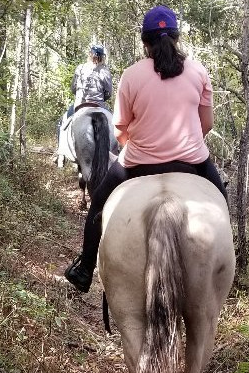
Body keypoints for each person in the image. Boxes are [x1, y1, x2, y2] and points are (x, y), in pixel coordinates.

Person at [64, 6, 227, 293]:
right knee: (222, 201)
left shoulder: (131, 75)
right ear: (176, 38)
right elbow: (207, 123)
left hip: (138, 162)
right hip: (192, 161)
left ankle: (85, 268)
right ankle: (226, 260)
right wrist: (185, 144)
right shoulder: (199, 71)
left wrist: (139, 147)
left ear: (144, 42)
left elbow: (119, 129)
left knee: (99, 205)